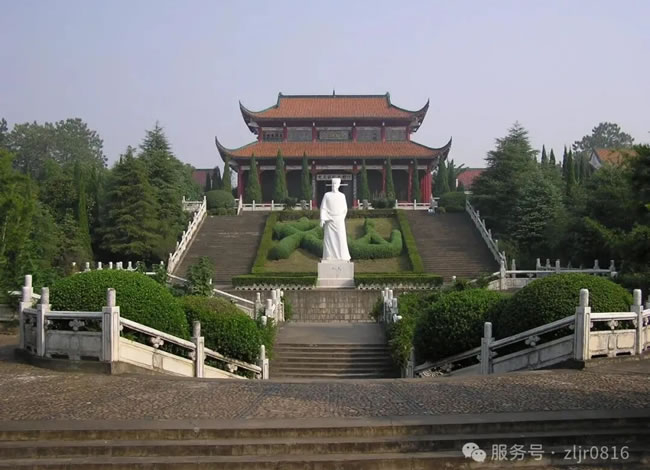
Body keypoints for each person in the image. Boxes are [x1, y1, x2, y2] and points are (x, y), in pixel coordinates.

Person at [320, 178, 351, 261]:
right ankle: (328, 255)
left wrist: (341, 218)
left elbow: (345, 209)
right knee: (329, 239)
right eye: (333, 184)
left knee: (340, 238)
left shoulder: (342, 196)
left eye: (336, 184)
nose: (334, 185)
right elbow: (323, 208)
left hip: (339, 220)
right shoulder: (327, 195)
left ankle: (342, 256)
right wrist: (322, 219)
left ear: (339, 185)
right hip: (329, 220)